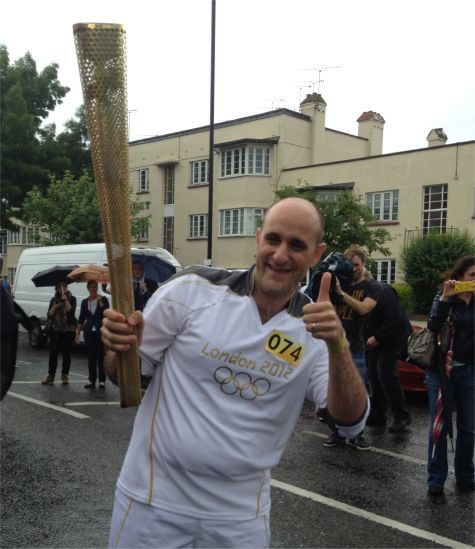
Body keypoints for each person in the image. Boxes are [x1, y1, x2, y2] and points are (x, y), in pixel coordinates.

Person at [101, 197, 369, 549]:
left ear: (317, 254)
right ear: (258, 239)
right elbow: (125, 377)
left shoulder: (316, 328)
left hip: (240, 520)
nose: (281, 254)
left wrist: (338, 346)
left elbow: (350, 423)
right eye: (273, 239)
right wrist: (121, 348)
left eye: (297, 245)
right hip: (153, 504)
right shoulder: (191, 290)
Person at [323, 245, 381, 451]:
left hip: (355, 347)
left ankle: (358, 434)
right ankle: (336, 432)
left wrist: (341, 293)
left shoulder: (372, 287)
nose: (353, 269)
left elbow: (364, 308)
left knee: (359, 392)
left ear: (363, 264)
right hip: (331, 346)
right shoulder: (340, 281)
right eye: (350, 265)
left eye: (356, 265)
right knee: (333, 391)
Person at [426, 255, 474, 496]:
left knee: (469, 427)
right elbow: (432, 325)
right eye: (472, 276)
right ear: (460, 276)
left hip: (470, 370)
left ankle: (466, 475)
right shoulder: (445, 296)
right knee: (439, 426)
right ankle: (436, 479)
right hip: (441, 370)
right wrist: (445, 297)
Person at [365, 280, 412, 432]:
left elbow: (395, 318)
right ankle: (378, 415)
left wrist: (377, 337)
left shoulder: (381, 290)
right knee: (372, 374)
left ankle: (402, 416)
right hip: (377, 337)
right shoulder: (358, 292)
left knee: (386, 373)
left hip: (394, 336)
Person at [75, 280, 109, 390]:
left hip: (100, 331)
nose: (93, 289)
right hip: (89, 332)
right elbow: (81, 318)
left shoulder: (103, 299)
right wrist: (77, 334)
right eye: (91, 287)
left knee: (100, 356)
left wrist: (101, 303)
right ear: (88, 288)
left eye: (95, 287)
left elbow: (106, 312)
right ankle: (91, 379)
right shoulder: (85, 302)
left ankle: (102, 380)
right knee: (91, 357)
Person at [41, 281, 77, 385]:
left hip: (68, 330)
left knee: (67, 354)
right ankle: (50, 375)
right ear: (56, 289)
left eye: (64, 286)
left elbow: (71, 312)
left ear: (66, 288)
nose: (62, 288)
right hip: (56, 330)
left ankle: (64, 375)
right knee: (53, 353)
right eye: (60, 287)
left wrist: (65, 301)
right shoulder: (53, 300)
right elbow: (49, 315)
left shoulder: (72, 299)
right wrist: (56, 306)